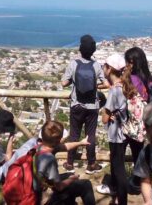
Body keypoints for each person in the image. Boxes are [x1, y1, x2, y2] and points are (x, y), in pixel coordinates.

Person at [61, 34, 108, 174]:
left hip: (76, 105)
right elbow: (106, 84)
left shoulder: (73, 64)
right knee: (90, 135)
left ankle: (70, 163)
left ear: (80, 49)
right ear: (93, 51)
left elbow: (64, 83)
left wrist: (73, 81)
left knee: (74, 134)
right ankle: (91, 164)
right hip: (92, 107)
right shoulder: (96, 65)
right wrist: (94, 86)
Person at [34, 121, 95, 205]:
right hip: (37, 196)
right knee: (86, 184)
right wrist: (73, 178)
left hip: (37, 183)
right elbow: (59, 187)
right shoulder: (49, 159)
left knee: (68, 176)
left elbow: (65, 146)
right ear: (59, 140)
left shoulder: (38, 146)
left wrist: (81, 143)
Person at [96, 53, 129, 204]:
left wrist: (106, 114)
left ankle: (121, 198)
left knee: (118, 166)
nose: (103, 69)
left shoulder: (114, 91)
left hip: (116, 134)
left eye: (104, 66)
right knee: (118, 163)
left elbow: (104, 118)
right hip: (125, 131)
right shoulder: (126, 85)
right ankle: (116, 190)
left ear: (109, 69)